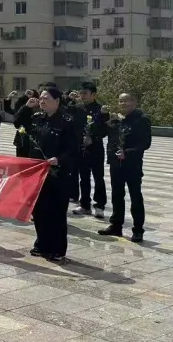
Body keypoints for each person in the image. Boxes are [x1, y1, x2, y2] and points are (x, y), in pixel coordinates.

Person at [14, 86, 78, 263]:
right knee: (39, 210)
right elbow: (18, 122)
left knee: (56, 212)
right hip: (37, 173)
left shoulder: (66, 121)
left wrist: (59, 159)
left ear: (57, 101)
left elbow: (72, 148)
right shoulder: (37, 118)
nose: (42, 101)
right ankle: (41, 244)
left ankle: (57, 249)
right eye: (40, 98)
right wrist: (26, 107)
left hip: (57, 173)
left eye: (46, 98)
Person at [98, 92, 152, 243]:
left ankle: (138, 230)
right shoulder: (117, 120)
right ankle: (116, 225)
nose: (123, 104)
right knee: (116, 195)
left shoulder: (141, 120)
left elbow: (145, 143)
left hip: (132, 164)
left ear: (134, 102)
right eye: (121, 101)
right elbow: (100, 132)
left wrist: (127, 153)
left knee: (135, 196)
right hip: (116, 164)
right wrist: (102, 116)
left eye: (127, 101)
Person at [74, 81, 109, 219]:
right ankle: (85, 205)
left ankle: (99, 206)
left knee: (98, 177)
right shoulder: (77, 109)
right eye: (81, 93)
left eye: (85, 93)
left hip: (96, 148)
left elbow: (104, 130)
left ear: (93, 95)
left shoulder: (101, 110)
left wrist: (93, 138)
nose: (82, 96)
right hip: (81, 148)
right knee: (83, 178)